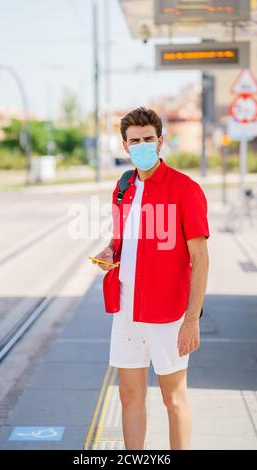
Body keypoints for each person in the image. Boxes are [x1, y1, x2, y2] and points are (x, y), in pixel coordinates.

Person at [91, 107, 210, 450]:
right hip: (126, 310)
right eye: (134, 141)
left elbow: (200, 260)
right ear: (125, 146)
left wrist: (192, 320)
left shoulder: (185, 190)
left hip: (168, 314)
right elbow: (120, 240)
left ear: (160, 141)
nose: (141, 145)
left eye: (148, 139)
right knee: (129, 395)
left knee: (173, 399)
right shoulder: (124, 186)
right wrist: (110, 253)